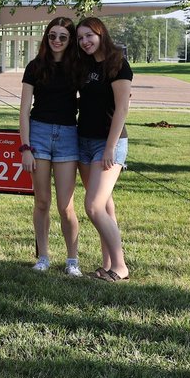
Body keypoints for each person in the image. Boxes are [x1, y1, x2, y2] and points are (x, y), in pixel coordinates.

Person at [19, 17, 82, 277]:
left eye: (63, 37)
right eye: (52, 35)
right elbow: (24, 111)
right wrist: (25, 147)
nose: (56, 41)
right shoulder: (35, 67)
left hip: (68, 135)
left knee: (66, 206)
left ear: (70, 41)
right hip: (39, 134)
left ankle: (72, 260)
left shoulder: (78, 66)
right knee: (42, 201)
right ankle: (43, 257)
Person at [75, 17, 132, 282]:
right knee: (106, 206)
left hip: (109, 143)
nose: (85, 41)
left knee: (94, 206)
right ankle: (107, 264)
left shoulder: (117, 63)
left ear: (101, 34)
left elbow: (122, 109)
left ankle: (120, 267)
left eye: (89, 35)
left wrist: (110, 147)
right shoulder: (84, 65)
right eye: (80, 38)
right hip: (83, 141)